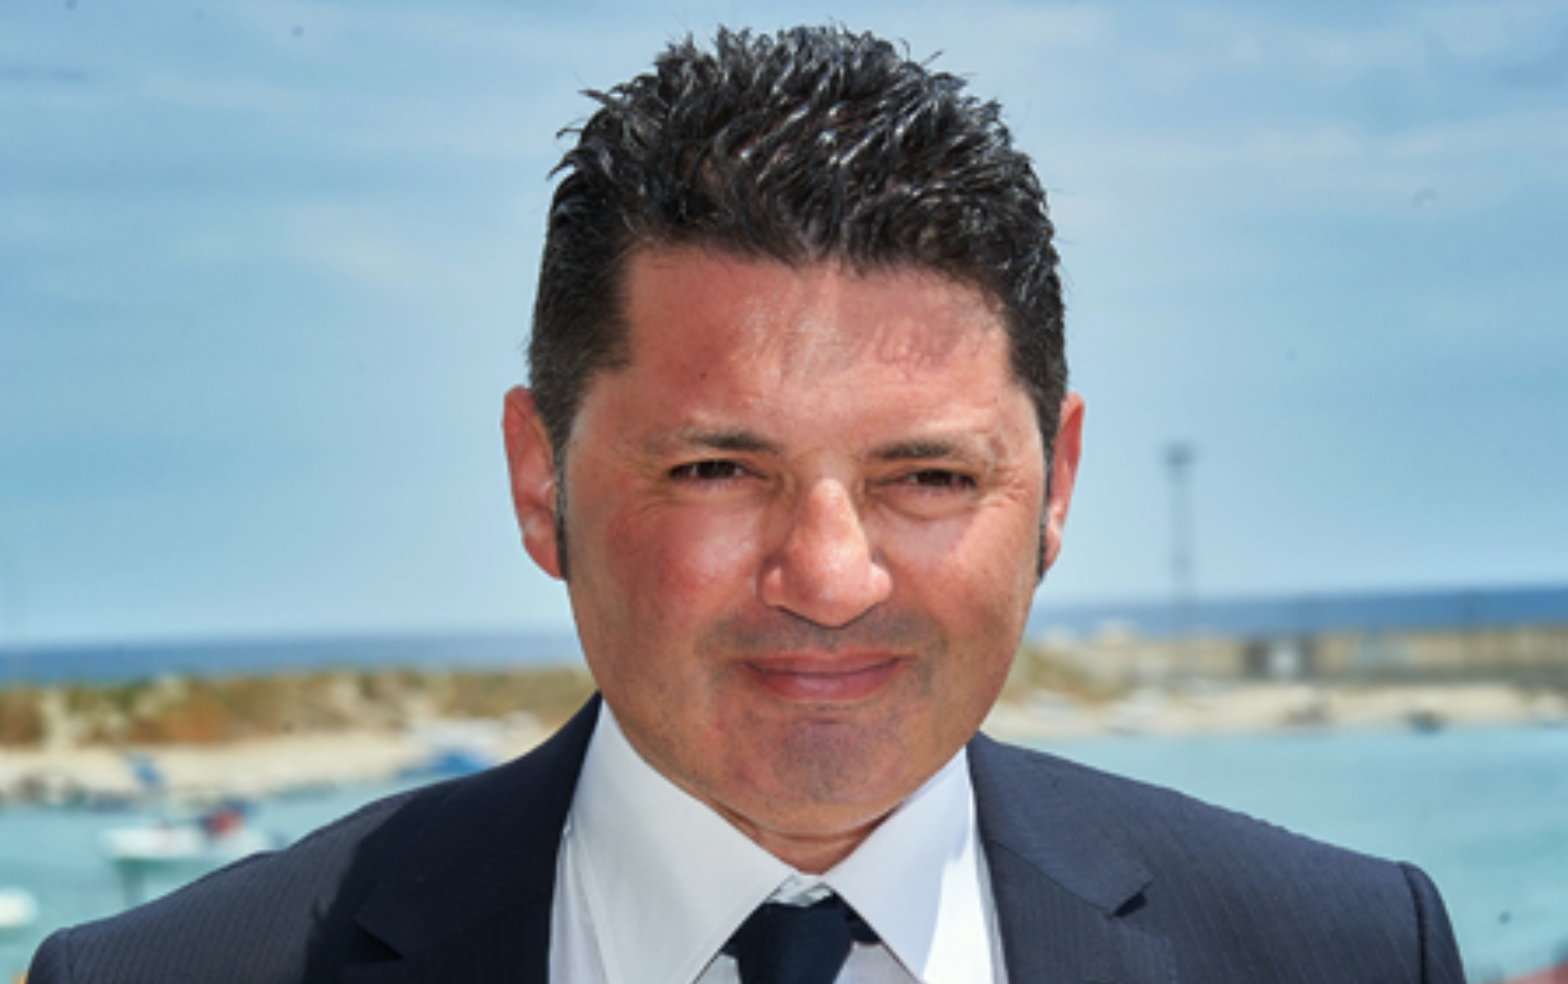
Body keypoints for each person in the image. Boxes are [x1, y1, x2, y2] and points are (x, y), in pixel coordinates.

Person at [30, 25, 1463, 984]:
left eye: (928, 476)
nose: (830, 578)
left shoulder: (1346, 953)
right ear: (540, 480)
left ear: (1057, 488)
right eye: (718, 471)